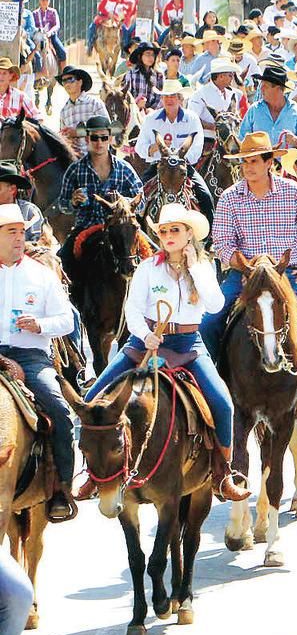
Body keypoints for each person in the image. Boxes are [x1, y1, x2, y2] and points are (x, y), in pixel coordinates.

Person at [80, 204, 249, 503]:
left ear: (188, 235)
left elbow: (215, 305)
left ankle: (223, 473)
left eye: (175, 230)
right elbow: (132, 309)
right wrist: (145, 335)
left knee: (223, 404)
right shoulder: (148, 267)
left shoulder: (203, 268)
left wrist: (195, 267)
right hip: (143, 343)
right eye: (163, 230)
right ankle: (93, 474)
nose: (168, 235)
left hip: (187, 344)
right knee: (92, 399)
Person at [199, 132, 297, 391]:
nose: (248, 167)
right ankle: (211, 388)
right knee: (207, 323)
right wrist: (249, 267)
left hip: (287, 275)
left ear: (269, 163)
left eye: (254, 161)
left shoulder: (293, 192)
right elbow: (222, 245)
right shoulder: (229, 198)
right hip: (244, 276)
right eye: (244, 162)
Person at [0, 204, 77, 522]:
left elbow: (67, 322)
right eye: (11, 232)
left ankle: (61, 488)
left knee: (59, 410)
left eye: (21, 232)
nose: (19, 238)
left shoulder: (41, 275)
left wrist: (41, 326)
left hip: (30, 356)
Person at [55, 115, 143, 268]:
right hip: (85, 227)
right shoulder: (75, 170)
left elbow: (141, 202)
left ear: (110, 139)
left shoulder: (125, 168)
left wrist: (124, 203)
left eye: (104, 138)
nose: (99, 143)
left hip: (120, 229)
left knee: (144, 258)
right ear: (87, 140)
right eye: (94, 138)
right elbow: (62, 205)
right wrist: (72, 202)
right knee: (63, 259)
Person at [238, 64, 297, 150]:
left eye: (265, 86)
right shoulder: (254, 110)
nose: (261, 89)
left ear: (278, 89)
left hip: (288, 162)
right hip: (260, 162)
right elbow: (242, 139)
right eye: (262, 85)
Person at [56, 66, 106, 155]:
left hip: (95, 158)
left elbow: (107, 131)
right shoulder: (64, 111)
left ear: (80, 82)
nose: (67, 84)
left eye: (70, 79)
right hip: (74, 163)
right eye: (64, 81)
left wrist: (77, 132)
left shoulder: (94, 103)